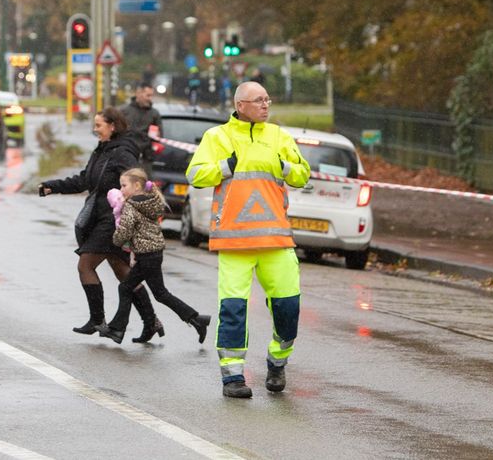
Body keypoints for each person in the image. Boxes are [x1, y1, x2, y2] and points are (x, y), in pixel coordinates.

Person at [186, 81, 311, 398]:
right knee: (233, 310)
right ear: (240, 105)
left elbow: (302, 174)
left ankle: (277, 362)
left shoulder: (279, 136)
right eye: (259, 100)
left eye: (268, 99)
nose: (266, 105)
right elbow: (195, 174)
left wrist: (284, 166)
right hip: (234, 241)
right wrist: (223, 167)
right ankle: (233, 377)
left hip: (276, 239)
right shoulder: (219, 137)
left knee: (288, 308)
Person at [39, 107, 161, 342]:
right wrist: (53, 186)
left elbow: (138, 181)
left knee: (85, 265)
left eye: (99, 125)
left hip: (113, 220)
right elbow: (86, 180)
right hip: (101, 217)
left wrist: (138, 213)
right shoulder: (103, 150)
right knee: (122, 271)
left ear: (112, 126)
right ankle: (151, 321)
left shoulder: (123, 152)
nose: (95, 130)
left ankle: (97, 319)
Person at [94, 168, 210, 345]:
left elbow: (124, 231)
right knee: (149, 292)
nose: (121, 189)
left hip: (147, 255)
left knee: (137, 290)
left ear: (137, 185)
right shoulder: (152, 201)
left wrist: (115, 241)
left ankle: (118, 328)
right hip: (152, 253)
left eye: (124, 185)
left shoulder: (132, 206)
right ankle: (192, 320)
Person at [118, 82, 163, 175]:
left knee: (144, 187)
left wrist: (156, 137)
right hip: (126, 158)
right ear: (138, 93)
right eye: (148, 95)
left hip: (145, 160)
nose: (150, 99)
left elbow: (159, 137)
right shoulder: (124, 111)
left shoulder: (154, 114)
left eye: (151, 96)